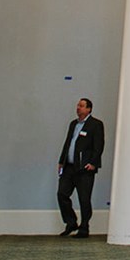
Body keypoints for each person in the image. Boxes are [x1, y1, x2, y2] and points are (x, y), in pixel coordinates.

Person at [57, 96, 105, 238]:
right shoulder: (73, 124)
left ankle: (84, 227)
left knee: (84, 198)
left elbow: (99, 146)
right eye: (78, 105)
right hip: (69, 167)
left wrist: (93, 163)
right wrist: (61, 161)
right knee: (62, 194)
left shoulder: (95, 124)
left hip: (84, 169)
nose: (78, 108)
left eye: (82, 106)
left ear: (89, 109)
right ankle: (71, 222)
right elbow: (68, 144)